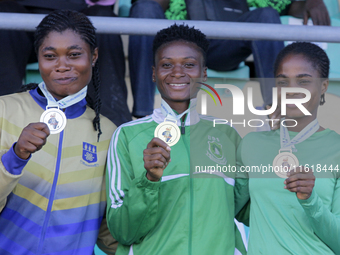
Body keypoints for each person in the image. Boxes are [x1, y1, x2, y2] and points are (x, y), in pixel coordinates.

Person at [106, 24, 246, 255]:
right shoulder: (127, 136)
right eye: (167, 65)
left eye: (189, 65)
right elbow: (122, 231)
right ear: (154, 73)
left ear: (204, 73)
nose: (177, 72)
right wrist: (149, 180)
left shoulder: (227, 135)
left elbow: (249, 209)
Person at [0, 9, 118, 254]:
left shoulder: (108, 133)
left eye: (74, 55)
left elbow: (108, 233)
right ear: (39, 58)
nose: (62, 66)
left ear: (93, 56)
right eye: (50, 55)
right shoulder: (4, 110)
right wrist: (15, 156)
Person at [128, 0, 330, 118]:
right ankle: (142, 116)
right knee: (144, 8)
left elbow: (287, 7)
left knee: (266, 15)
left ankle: (276, 115)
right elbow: (151, 6)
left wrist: (311, 1)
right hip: (179, 43)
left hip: (223, 46)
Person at [235, 42, 340, 254]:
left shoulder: (336, 148)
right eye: (283, 82)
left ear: (323, 87)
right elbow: (236, 208)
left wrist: (311, 200)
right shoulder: (252, 144)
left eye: (303, 81)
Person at [0, 0, 131, 127]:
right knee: (5, 12)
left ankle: (111, 122)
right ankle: (6, 113)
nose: (62, 67)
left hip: (78, 19)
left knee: (103, 15)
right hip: (20, 18)